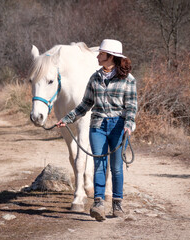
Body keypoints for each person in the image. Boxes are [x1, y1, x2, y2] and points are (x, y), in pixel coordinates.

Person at [56, 39, 137, 221]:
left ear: (111, 57)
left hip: (118, 126)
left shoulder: (128, 80)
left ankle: (117, 203)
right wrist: (67, 119)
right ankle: (98, 203)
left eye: (101, 54)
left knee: (116, 168)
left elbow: (131, 106)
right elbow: (85, 104)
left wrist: (129, 124)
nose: (98, 56)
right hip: (98, 126)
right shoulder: (94, 78)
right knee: (99, 164)